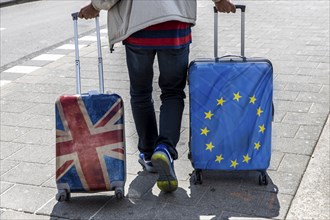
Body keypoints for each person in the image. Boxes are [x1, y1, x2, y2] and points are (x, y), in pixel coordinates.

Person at [79, 0, 236, 193]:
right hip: (174, 25)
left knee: (140, 92)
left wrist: (95, 6)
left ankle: (148, 154)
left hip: (138, 27)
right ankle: (165, 150)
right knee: (173, 92)